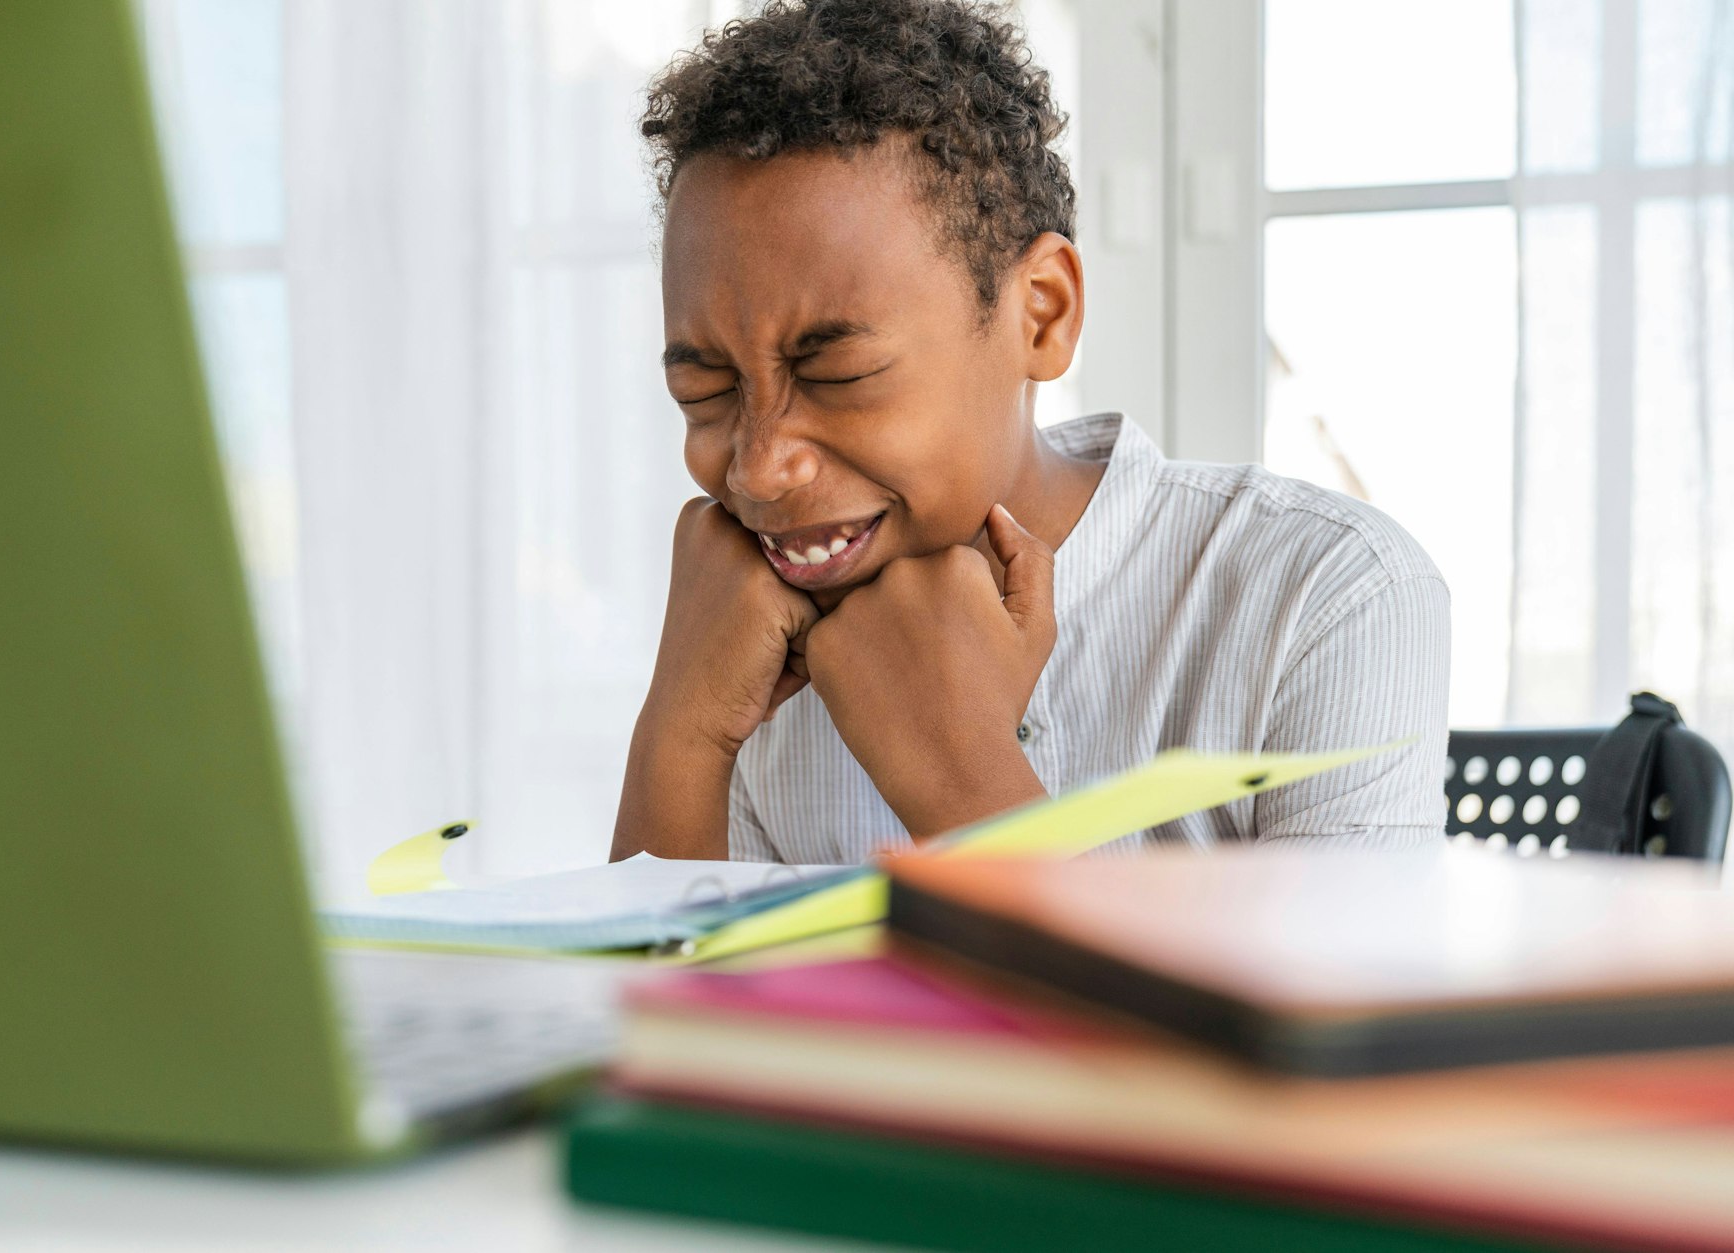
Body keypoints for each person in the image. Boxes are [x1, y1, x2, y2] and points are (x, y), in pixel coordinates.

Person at [610, 0, 1449, 864]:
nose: (760, 468)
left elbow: (1336, 1002)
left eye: (839, 376)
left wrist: (959, 771)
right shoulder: (743, 644)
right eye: (704, 389)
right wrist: (683, 732)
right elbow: (632, 1000)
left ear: (1040, 316)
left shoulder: (1327, 592)